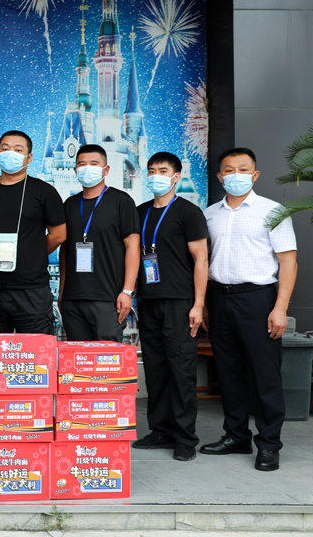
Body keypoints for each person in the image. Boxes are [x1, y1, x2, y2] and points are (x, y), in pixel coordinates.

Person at [200, 147, 297, 472]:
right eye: (229, 170)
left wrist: (280, 308)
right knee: (228, 372)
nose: (236, 175)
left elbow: (289, 262)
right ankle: (236, 435)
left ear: (254, 175)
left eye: (243, 169)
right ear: (220, 176)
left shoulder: (272, 211)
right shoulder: (210, 214)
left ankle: (269, 444)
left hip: (258, 299)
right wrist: (207, 305)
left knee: (265, 374)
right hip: (220, 297)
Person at [132, 152, 209, 462]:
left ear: (176, 176)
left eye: (163, 171)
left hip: (180, 301)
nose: (156, 176)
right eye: (151, 170)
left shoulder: (188, 212)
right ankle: (160, 430)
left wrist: (198, 304)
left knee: (181, 369)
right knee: (156, 368)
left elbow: (201, 260)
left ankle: (185, 437)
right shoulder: (140, 212)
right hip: (148, 300)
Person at [0, 130, 66, 334]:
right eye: (5, 149)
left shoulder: (44, 191)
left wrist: (34, 252)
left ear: (29, 157)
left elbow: (59, 234)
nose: (10, 154)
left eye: (17, 150)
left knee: (36, 349)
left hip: (32, 289)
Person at [58, 144, 140, 341]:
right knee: (78, 357)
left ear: (106, 169)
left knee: (107, 356)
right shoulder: (69, 204)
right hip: (73, 298)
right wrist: (62, 292)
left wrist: (127, 291)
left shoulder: (121, 201)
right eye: (82, 164)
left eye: (94, 163)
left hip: (108, 298)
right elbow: (64, 250)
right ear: (75, 169)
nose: (87, 168)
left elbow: (133, 247)